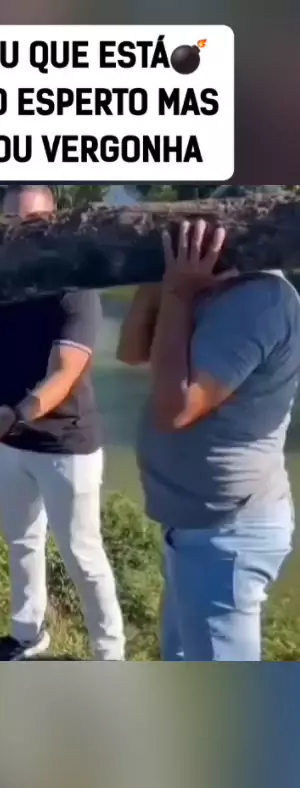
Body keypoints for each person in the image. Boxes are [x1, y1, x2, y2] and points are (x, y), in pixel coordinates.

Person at [0, 185, 125, 661]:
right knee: (21, 541)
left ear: (53, 222)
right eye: (9, 222)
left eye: (31, 222)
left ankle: (110, 655)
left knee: (82, 555)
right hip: (4, 444)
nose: (18, 232)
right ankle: (27, 633)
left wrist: (11, 418)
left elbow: (65, 373)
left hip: (65, 445)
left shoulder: (74, 286)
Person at [117, 218, 300, 662]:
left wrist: (179, 294)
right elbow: (132, 352)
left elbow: (177, 408)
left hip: (228, 532)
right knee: (182, 660)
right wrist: (163, 280)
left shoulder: (259, 299)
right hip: (196, 524)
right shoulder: (208, 287)